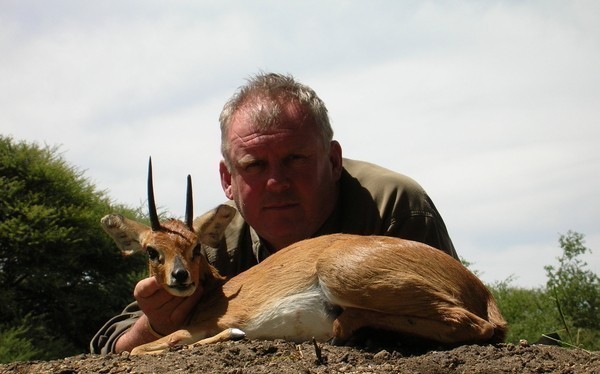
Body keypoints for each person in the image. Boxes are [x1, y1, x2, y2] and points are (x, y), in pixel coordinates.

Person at [90, 72, 458, 355]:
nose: (276, 182)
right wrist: (154, 326)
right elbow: (112, 343)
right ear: (227, 180)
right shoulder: (201, 243)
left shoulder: (393, 205)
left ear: (332, 161)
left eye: (295, 159)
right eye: (253, 165)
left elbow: (450, 305)